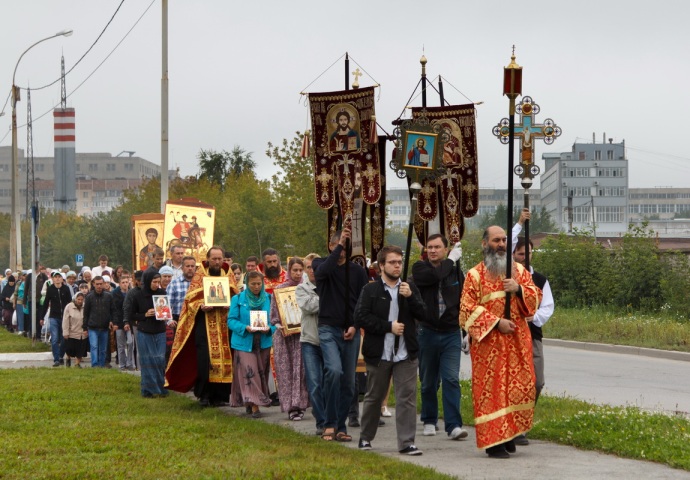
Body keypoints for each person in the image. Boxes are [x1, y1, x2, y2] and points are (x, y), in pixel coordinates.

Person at [460, 225, 542, 459]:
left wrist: (518, 290)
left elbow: (535, 298)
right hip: (489, 346)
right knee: (493, 392)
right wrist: (497, 323)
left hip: (517, 342)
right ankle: (494, 442)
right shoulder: (474, 275)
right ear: (485, 244)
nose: (501, 244)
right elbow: (465, 311)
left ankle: (510, 434)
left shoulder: (519, 271)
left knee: (518, 388)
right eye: (496, 240)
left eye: (504, 240)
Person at [354, 245, 426, 456]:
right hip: (380, 353)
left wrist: (411, 296)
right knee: (375, 397)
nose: (397, 266)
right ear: (381, 265)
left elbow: (424, 314)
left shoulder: (409, 287)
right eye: (392, 262)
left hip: (405, 353)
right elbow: (360, 317)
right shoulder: (370, 290)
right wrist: (388, 326)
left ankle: (406, 442)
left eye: (399, 262)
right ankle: (366, 437)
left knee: (406, 397)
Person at [411, 234, 469, 440]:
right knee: (428, 381)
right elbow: (435, 276)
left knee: (451, 379)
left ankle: (453, 425)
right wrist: (452, 259)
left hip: (451, 333)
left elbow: (463, 301)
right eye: (430, 247)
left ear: (445, 249)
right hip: (427, 332)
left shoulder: (455, 271)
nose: (433, 250)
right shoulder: (420, 268)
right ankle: (429, 419)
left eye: (437, 247)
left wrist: (466, 332)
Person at [313, 227, 368, 442]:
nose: (343, 252)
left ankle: (341, 425)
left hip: (351, 331)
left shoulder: (357, 271)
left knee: (349, 382)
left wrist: (355, 325)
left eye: (346, 247)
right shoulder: (321, 265)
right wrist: (338, 246)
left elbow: (364, 303)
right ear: (331, 245)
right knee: (333, 371)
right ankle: (329, 422)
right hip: (328, 328)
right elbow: (322, 273)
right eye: (338, 247)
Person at [166, 246, 238, 407]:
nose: (217, 262)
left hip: (224, 324)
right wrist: (201, 305)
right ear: (208, 259)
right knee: (205, 360)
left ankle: (220, 396)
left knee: (225, 359)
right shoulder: (200, 274)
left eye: (220, 259)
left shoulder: (228, 274)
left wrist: (231, 304)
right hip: (204, 324)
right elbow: (190, 300)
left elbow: (236, 295)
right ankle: (204, 395)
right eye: (214, 259)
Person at [512, 212, 555, 446]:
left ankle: (524, 420)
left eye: (528, 253)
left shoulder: (539, 279)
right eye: (520, 254)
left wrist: (533, 318)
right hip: (509, 337)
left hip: (532, 335)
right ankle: (513, 425)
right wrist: (519, 224)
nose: (524, 257)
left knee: (536, 381)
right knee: (513, 381)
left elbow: (548, 306)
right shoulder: (505, 276)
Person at [227, 271, 275, 418]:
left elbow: (275, 321)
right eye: (253, 284)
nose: (256, 287)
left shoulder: (269, 298)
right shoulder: (238, 299)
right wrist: (244, 328)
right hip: (244, 342)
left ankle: (248, 401)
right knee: (249, 371)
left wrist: (269, 328)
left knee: (261, 373)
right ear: (247, 284)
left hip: (263, 341)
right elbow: (231, 320)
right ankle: (255, 406)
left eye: (259, 284)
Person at [271, 257, 310, 421]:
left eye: (300, 270)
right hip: (285, 338)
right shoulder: (280, 289)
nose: (297, 273)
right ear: (289, 270)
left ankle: (300, 405)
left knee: (301, 371)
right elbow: (274, 315)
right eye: (294, 270)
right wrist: (281, 325)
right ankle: (290, 407)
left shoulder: (307, 289)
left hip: (303, 336)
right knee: (287, 371)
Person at [295, 253, 325, 435]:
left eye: (316, 267)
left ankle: (331, 418)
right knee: (315, 384)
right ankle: (321, 422)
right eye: (309, 267)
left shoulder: (329, 284)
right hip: (310, 340)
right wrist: (329, 299)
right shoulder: (301, 288)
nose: (313, 270)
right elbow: (309, 306)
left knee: (331, 382)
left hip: (330, 340)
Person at [129, 269, 168, 398]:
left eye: (158, 282)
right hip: (145, 331)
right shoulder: (138, 295)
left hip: (160, 330)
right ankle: (148, 390)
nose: (157, 284)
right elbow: (131, 315)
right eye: (154, 282)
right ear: (147, 281)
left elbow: (166, 310)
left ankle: (161, 387)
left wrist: (164, 314)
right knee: (147, 360)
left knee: (160, 359)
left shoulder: (162, 293)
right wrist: (145, 314)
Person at [166, 256, 196, 363]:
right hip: (179, 319)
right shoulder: (174, 284)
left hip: (196, 319)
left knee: (195, 347)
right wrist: (169, 320)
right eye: (187, 266)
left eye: (192, 266)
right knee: (179, 347)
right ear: (182, 268)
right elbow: (167, 304)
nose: (190, 268)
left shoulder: (200, 284)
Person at [83, 276, 118, 368]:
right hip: (92, 327)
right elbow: (86, 313)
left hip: (104, 327)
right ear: (93, 284)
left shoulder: (108, 296)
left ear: (103, 284)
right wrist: (84, 327)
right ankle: (94, 365)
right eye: (97, 284)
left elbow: (113, 310)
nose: (99, 286)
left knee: (103, 349)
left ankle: (101, 365)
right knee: (94, 347)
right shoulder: (89, 297)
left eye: (100, 284)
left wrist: (114, 322)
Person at [42, 271, 73, 366]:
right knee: (54, 339)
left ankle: (60, 356)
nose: (57, 279)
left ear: (62, 279)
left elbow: (70, 303)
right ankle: (56, 359)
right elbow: (46, 303)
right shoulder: (50, 289)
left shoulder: (66, 289)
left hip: (65, 317)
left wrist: (71, 315)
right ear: (53, 279)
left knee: (64, 338)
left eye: (59, 277)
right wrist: (41, 317)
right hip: (53, 317)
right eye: (55, 277)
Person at [112, 271, 135, 371]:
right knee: (121, 345)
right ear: (119, 283)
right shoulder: (114, 294)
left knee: (130, 342)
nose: (125, 284)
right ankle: (122, 363)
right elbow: (114, 309)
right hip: (119, 321)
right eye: (123, 282)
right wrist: (115, 322)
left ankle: (130, 362)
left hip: (129, 322)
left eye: (127, 282)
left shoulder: (132, 292)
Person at [62, 292, 87, 368]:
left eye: (82, 299)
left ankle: (77, 364)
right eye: (78, 299)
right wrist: (65, 332)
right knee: (70, 349)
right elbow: (65, 320)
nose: (80, 301)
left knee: (80, 350)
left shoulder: (85, 307)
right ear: (75, 299)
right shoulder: (69, 307)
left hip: (82, 333)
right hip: (72, 332)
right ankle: (68, 358)